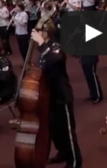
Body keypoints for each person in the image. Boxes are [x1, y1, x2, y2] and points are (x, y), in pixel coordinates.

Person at [30, 20, 82, 168]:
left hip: (61, 96)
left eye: (38, 33)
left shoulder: (55, 46)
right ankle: (62, 152)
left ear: (45, 34)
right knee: (55, 130)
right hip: (49, 96)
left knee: (67, 131)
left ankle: (75, 161)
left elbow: (56, 59)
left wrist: (42, 43)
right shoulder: (42, 49)